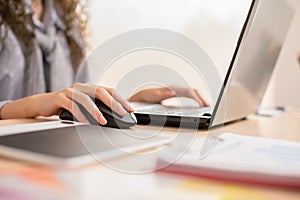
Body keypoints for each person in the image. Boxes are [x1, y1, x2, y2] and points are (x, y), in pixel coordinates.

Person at [0, 0, 208, 125]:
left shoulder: (65, 21)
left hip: (56, 147)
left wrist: (133, 102)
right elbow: (57, 100)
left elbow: (80, 97)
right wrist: (34, 105)